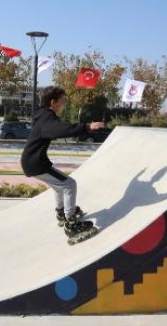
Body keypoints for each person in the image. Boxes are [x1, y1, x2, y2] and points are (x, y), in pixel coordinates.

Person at [21, 86, 103, 238]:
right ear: (53, 102)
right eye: (63, 101)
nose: (64, 104)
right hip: (35, 163)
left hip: (33, 161)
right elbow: (60, 129)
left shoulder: (42, 115)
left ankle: (61, 212)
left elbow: (57, 127)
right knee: (69, 184)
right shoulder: (47, 118)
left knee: (60, 186)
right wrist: (87, 126)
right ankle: (71, 224)